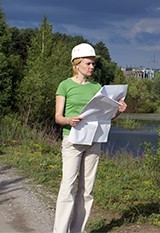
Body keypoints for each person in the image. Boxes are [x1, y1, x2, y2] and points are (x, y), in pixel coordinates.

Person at [53, 43, 127, 233]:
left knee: (87, 190)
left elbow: (104, 116)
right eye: (88, 63)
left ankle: (77, 230)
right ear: (76, 63)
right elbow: (58, 117)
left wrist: (118, 111)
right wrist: (69, 120)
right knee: (67, 187)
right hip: (73, 141)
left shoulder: (97, 87)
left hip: (94, 140)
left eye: (93, 63)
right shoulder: (65, 85)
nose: (92, 67)